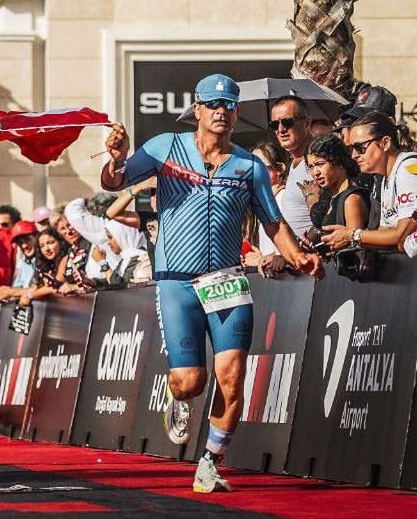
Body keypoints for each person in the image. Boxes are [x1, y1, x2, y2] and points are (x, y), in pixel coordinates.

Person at [100, 74, 318, 494]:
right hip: (176, 283)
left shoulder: (249, 166)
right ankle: (176, 397)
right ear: (196, 110)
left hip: (226, 281)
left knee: (233, 375)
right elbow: (116, 182)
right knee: (190, 383)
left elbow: (274, 223)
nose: (221, 111)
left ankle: (209, 463)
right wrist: (116, 159)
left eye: (228, 105)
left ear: (236, 113)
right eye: (212, 104)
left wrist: (298, 256)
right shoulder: (167, 147)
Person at [322, 112, 417, 252]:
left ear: (385, 143)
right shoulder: (384, 177)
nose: (354, 155)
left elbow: (404, 233)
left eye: (360, 147)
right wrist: (344, 239)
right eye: (351, 149)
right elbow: (384, 230)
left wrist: (353, 236)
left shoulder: (408, 167)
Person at [268, 96, 320, 238]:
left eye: (287, 122)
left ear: (307, 123)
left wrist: (300, 249)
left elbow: (327, 218)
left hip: (313, 256)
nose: (281, 129)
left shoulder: (317, 160)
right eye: (274, 125)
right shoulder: (294, 162)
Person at [306, 134, 370, 238]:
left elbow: (355, 245)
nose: (315, 172)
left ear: (339, 162)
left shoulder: (351, 198)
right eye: (311, 167)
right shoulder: (329, 195)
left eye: (320, 164)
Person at [242, 137, 289, 277]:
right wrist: (260, 254)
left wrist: (261, 259)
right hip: (274, 279)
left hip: (291, 280)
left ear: (280, 168)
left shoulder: (285, 198)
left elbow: (298, 244)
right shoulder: (265, 202)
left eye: (261, 167)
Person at [0, 222, 39, 300]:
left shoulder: (46, 260)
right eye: (20, 243)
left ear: (36, 237)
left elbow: (43, 290)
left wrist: (12, 292)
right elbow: (17, 287)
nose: (24, 246)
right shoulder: (24, 264)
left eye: (27, 240)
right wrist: (7, 294)